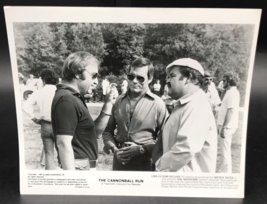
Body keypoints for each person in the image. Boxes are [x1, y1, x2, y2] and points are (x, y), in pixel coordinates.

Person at [51, 51, 117, 171]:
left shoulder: (72, 96)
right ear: (77, 73)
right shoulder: (67, 99)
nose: (96, 81)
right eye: (94, 75)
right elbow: (63, 144)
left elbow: (94, 133)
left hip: (83, 169)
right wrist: (74, 182)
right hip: (78, 171)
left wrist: (108, 104)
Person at [102, 57, 168, 171]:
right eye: (131, 76)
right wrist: (114, 149)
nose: (135, 81)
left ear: (150, 79)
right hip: (119, 164)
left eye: (140, 78)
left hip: (145, 164)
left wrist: (142, 149)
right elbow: (107, 130)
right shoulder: (118, 101)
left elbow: (167, 136)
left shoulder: (158, 104)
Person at [152, 58, 217, 172]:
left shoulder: (196, 105)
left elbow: (186, 149)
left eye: (172, 76)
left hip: (188, 184)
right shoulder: (187, 104)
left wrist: (159, 167)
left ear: (189, 78)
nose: (167, 81)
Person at [23, 69, 59, 170]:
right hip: (60, 125)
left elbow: (26, 106)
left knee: (48, 154)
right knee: (62, 152)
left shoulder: (38, 92)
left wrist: (34, 118)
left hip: (45, 125)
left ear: (43, 80)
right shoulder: (60, 91)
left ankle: (49, 177)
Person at [217, 73, 240, 173]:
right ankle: (226, 173)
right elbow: (222, 102)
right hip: (226, 126)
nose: (223, 82)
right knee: (225, 152)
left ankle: (225, 174)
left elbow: (231, 111)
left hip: (227, 127)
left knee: (225, 153)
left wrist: (224, 127)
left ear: (229, 81)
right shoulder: (230, 92)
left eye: (224, 81)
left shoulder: (232, 93)